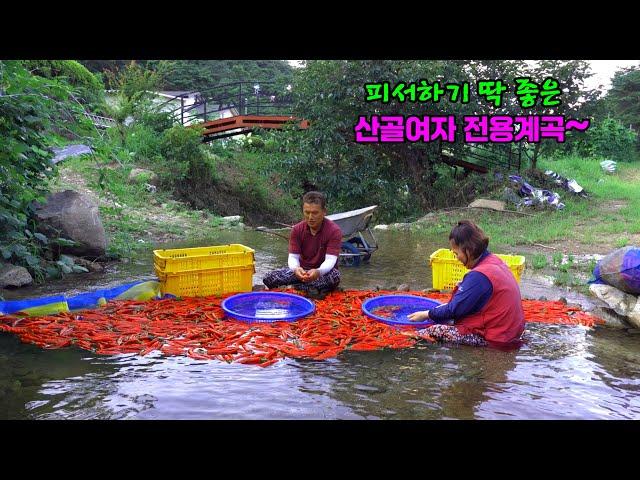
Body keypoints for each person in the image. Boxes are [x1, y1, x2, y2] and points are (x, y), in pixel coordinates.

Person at [408, 220, 525, 348]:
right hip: (512, 334)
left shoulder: (479, 276)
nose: (457, 258)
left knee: (433, 331)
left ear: (468, 250)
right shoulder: (494, 262)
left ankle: (404, 339)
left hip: (496, 339)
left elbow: (454, 309)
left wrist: (426, 314)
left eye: (456, 253)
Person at [263, 191, 343, 298]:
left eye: (315, 213)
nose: (310, 217)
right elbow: (293, 257)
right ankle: (305, 287)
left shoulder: (334, 231)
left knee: (335, 276)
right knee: (269, 277)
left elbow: (330, 260)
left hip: (322, 273)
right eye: (307, 212)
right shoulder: (297, 230)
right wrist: (296, 269)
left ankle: (296, 287)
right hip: (302, 271)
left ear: (324, 212)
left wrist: (318, 272)